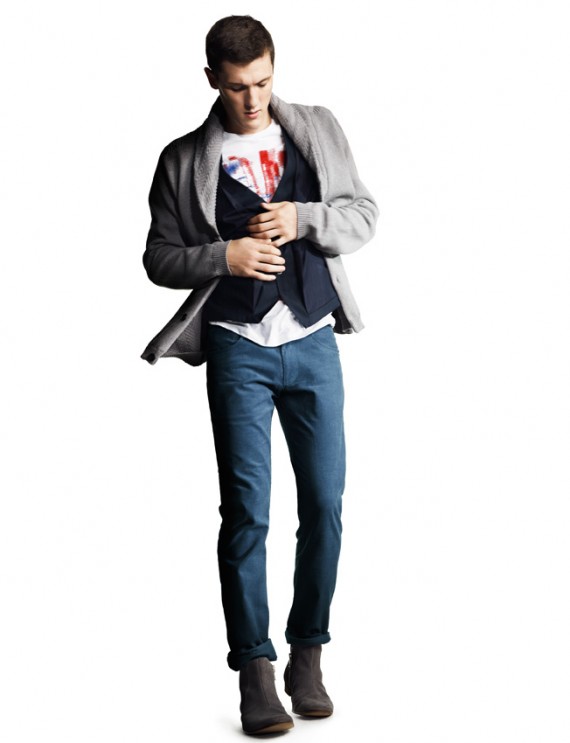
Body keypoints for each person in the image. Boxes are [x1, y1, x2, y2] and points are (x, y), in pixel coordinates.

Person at [141, 15, 378, 735]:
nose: (253, 100)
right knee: (247, 512)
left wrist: (305, 218)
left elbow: (364, 215)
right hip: (237, 347)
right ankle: (255, 671)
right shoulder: (182, 159)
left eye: (264, 82)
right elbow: (158, 257)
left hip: (312, 341)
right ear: (212, 78)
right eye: (239, 86)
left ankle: (308, 655)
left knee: (326, 504)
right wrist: (225, 257)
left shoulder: (317, 128)